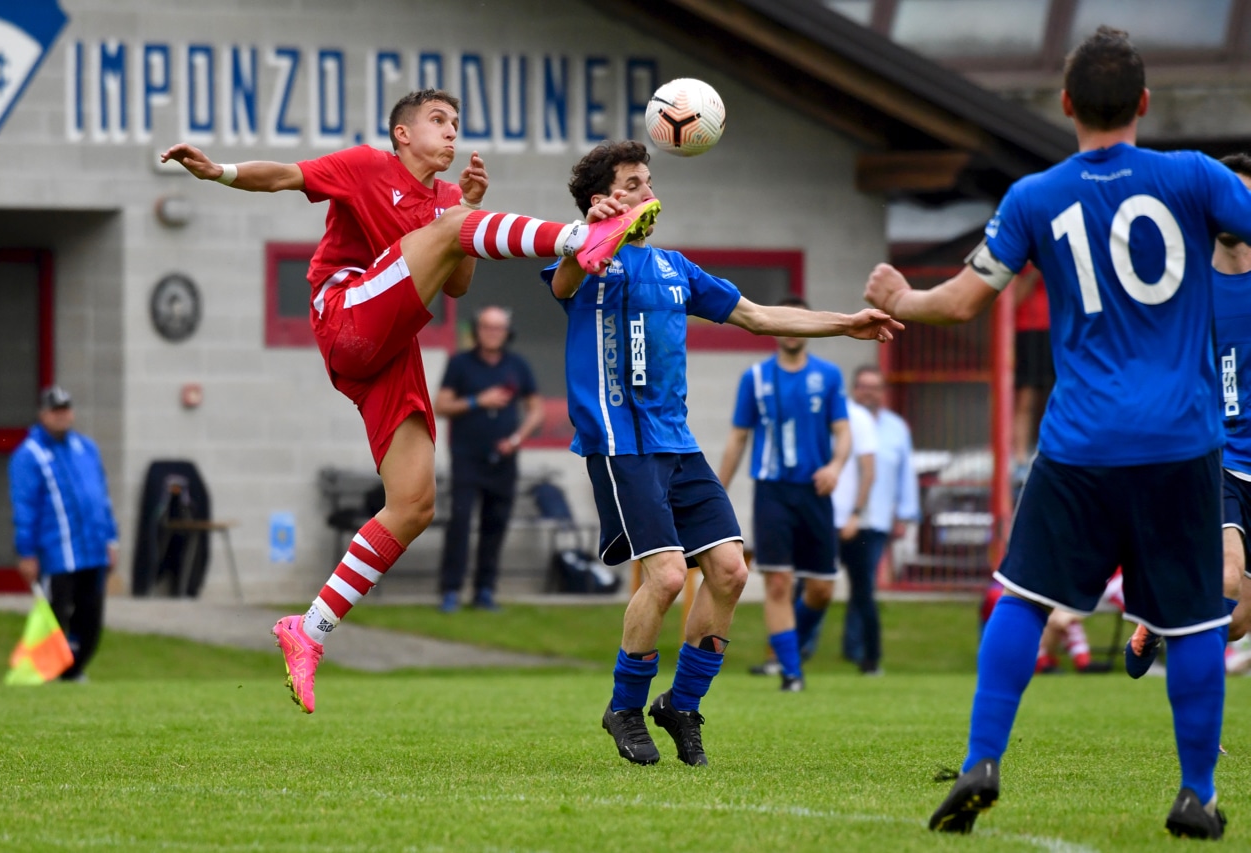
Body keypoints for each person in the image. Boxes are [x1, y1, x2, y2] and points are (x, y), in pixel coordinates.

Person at [864, 26, 1251, 839]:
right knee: (1192, 620)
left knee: (1026, 596)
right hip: (1181, 441)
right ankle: (1196, 792)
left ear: (1067, 104)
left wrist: (899, 298)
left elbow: (961, 302)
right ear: (1144, 102)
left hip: (1079, 441)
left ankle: (982, 759)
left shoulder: (1034, 197)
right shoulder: (1197, 176)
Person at [161, 88, 659, 714]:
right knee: (455, 228)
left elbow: (456, 286)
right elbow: (284, 176)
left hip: (390, 345)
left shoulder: (448, 199)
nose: (451, 133)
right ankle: (583, 237)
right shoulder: (366, 165)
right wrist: (219, 171)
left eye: (456, 123)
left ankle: (308, 629)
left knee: (414, 505)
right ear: (402, 134)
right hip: (345, 312)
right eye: (438, 121)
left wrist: (468, 210)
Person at [544, 139, 900, 767]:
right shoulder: (582, 259)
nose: (649, 193)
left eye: (649, 181)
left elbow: (758, 317)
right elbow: (563, 282)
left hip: (677, 443)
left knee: (732, 571)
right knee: (666, 576)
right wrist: (588, 236)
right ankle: (624, 708)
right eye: (634, 184)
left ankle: (682, 706)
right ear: (603, 198)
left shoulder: (676, 268)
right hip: (621, 444)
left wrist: (845, 323)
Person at [1126, 152, 1251, 674]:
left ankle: (1162, 614)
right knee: (1225, 577)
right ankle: (1200, 719)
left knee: (1238, 622)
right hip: (1213, 459)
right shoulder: (1184, 286)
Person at [716, 298, 854, 693]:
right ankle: (791, 672)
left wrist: (835, 467)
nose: (791, 329)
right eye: (784, 321)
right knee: (777, 582)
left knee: (821, 589)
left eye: (799, 321)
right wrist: (716, 492)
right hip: (772, 492)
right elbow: (738, 437)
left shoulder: (828, 376)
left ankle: (791, 647)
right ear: (774, 327)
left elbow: (843, 431)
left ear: (810, 326)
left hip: (815, 491)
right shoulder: (755, 378)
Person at [433, 305, 545, 613]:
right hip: (466, 457)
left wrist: (516, 439)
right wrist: (477, 401)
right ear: (476, 330)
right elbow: (441, 406)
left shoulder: (517, 366)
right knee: (459, 522)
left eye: (498, 328)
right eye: (486, 327)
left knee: (495, 523)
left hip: (504, 459)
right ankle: (451, 590)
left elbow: (536, 410)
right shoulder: (460, 364)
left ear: (507, 332)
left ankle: (485, 590)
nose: (492, 333)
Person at [8, 386, 119, 682]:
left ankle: (73, 671)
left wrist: (111, 540)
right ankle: (48, 670)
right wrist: (26, 552)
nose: (61, 416)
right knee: (57, 615)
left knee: (90, 616)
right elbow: (24, 507)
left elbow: (101, 498)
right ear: (43, 414)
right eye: (54, 410)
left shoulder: (86, 448)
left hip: (93, 550)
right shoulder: (28, 455)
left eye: (65, 409)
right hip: (57, 553)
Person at [837, 365, 919, 674]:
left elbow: (905, 474)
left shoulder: (896, 428)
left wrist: (905, 513)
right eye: (863, 386)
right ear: (854, 389)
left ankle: (860, 652)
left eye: (875, 387)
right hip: (836, 518)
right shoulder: (839, 420)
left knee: (864, 588)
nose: (868, 392)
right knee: (812, 585)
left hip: (876, 521)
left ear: (883, 392)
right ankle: (799, 650)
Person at [1011, 265, 1053, 476]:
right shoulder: (1020, 262)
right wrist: (1034, 271)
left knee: (1057, 397)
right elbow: (1013, 300)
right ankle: (1019, 461)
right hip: (1028, 331)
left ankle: (1052, 455)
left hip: (1058, 330)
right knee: (1026, 398)